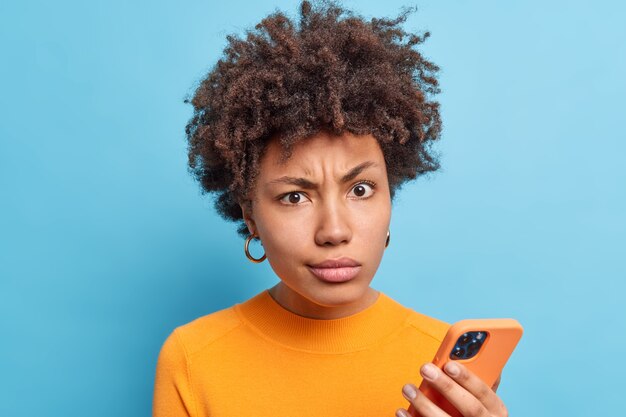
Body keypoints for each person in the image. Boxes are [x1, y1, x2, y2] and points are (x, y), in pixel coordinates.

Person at [153, 1, 508, 416]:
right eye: (295, 196)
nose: (334, 231)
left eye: (360, 189)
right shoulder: (195, 359)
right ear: (250, 215)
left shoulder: (444, 366)